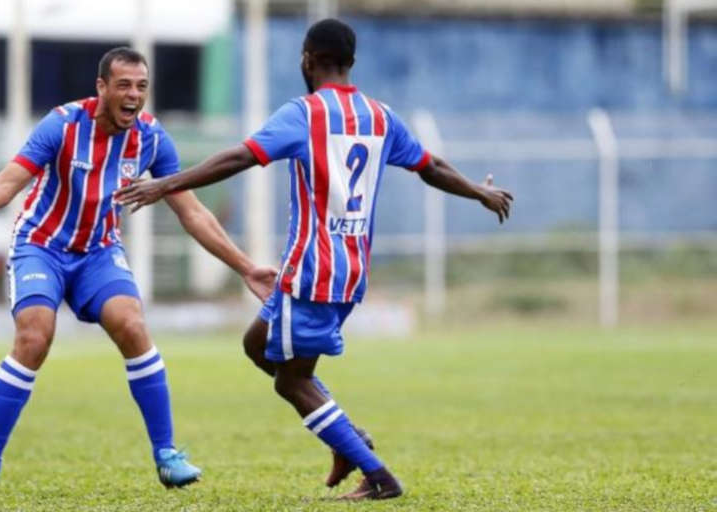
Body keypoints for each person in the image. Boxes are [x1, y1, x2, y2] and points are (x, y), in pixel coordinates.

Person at [115, 19, 514, 500]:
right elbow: (431, 166)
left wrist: (166, 183)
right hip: (348, 269)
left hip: (313, 272)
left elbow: (240, 157)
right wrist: (478, 191)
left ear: (307, 59)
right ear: (350, 62)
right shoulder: (380, 115)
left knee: (291, 381)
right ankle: (345, 438)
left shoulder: (304, 113)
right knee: (257, 343)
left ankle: (376, 473)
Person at [0, 47, 277, 493]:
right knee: (34, 336)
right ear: (101, 88)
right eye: (123, 85)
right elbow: (6, 184)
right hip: (40, 245)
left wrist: (246, 268)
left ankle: (167, 454)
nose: (134, 96)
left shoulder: (153, 139)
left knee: (133, 324)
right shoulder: (62, 125)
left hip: (98, 251)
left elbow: (192, 212)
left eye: (141, 86)